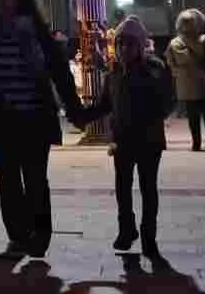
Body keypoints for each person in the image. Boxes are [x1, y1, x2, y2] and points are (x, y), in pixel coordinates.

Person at [0, 0, 83, 258]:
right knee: (8, 180)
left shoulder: (36, 30)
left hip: (33, 117)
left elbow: (59, 71)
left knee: (35, 179)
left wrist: (74, 107)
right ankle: (18, 237)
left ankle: (40, 234)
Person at [75, 17, 175, 259]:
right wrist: (81, 116)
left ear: (140, 45)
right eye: (119, 44)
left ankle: (148, 237)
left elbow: (168, 103)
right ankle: (126, 230)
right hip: (122, 141)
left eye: (129, 44)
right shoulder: (115, 74)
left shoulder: (155, 69)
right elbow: (105, 105)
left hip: (149, 140)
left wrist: (148, 114)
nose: (123, 49)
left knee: (148, 188)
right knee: (122, 188)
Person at [165, 9, 205, 151]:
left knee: (193, 117)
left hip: (187, 87)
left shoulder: (175, 43)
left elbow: (172, 62)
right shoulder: (204, 41)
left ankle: (196, 143)